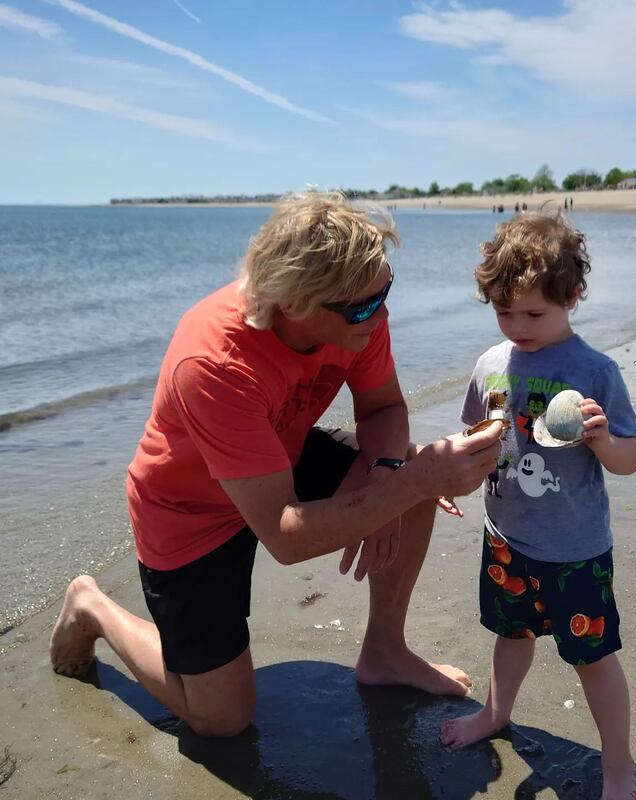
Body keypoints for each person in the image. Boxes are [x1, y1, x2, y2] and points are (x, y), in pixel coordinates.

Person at [50, 191, 503, 738]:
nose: (380, 314)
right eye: (364, 306)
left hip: (274, 453)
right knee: (220, 719)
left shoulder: (357, 309)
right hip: (187, 508)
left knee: (406, 472)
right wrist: (410, 483)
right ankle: (92, 606)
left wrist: (392, 482)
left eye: (385, 292)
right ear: (296, 304)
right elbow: (286, 538)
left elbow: (383, 408)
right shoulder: (215, 362)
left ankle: (385, 651)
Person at [440, 213, 636, 800]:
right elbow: (475, 439)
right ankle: (495, 713)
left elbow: (632, 457)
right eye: (505, 312)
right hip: (506, 534)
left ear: (572, 296)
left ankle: (617, 767)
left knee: (594, 659)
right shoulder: (490, 365)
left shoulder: (594, 372)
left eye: (534, 313)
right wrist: (443, 476)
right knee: (511, 636)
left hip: (574, 550)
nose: (518, 326)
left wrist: (604, 441)